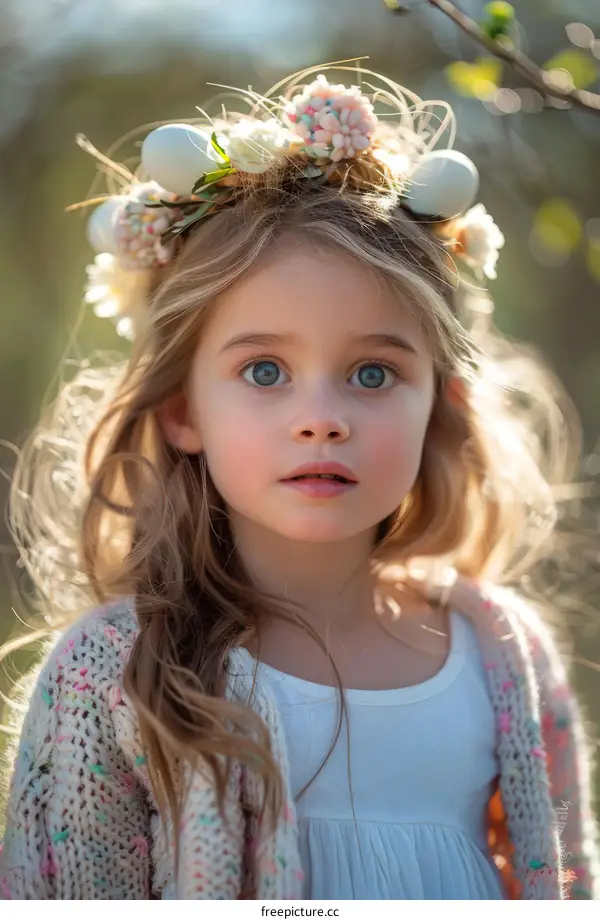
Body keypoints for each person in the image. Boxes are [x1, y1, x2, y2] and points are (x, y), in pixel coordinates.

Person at [0, 62, 598, 901]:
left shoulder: (504, 659)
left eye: (373, 374)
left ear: (440, 405)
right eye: (266, 370)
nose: (321, 418)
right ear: (183, 412)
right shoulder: (119, 672)